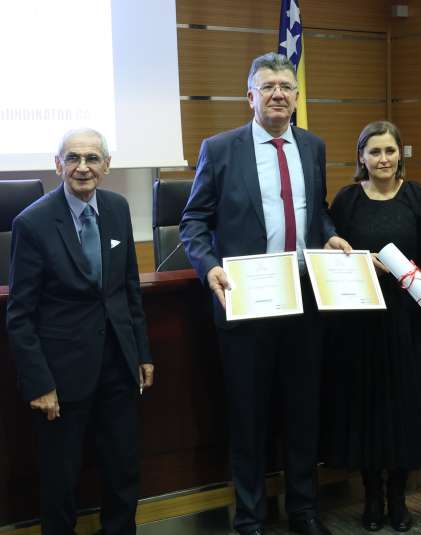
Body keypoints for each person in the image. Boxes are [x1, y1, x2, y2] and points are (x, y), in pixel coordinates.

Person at [179, 52, 350, 535]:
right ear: (250, 96)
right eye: (267, 86)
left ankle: (304, 510)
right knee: (249, 414)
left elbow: (317, 210)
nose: (278, 94)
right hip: (247, 300)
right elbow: (193, 220)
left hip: (304, 299)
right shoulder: (220, 148)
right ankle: (251, 517)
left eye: (286, 87)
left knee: (303, 411)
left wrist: (330, 234)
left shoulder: (312, 146)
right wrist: (208, 266)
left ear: (296, 97)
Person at [7, 128, 154, 535]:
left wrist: (142, 352)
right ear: (58, 165)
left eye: (92, 158)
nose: (83, 167)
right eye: (73, 158)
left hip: (118, 365)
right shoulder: (32, 223)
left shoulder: (117, 208)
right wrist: (40, 383)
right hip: (61, 375)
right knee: (61, 480)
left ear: (107, 166)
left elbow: (128, 289)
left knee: (123, 470)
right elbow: (20, 315)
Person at [324, 121, 421, 532]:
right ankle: (372, 496)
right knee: (367, 406)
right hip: (360, 322)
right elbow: (331, 253)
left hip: (407, 320)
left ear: (400, 154)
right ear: (361, 156)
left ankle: (398, 496)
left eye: (390, 151)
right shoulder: (346, 200)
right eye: (374, 151)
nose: (383, 159)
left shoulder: (417, 196)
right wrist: (364, 262)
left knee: (404, 405)